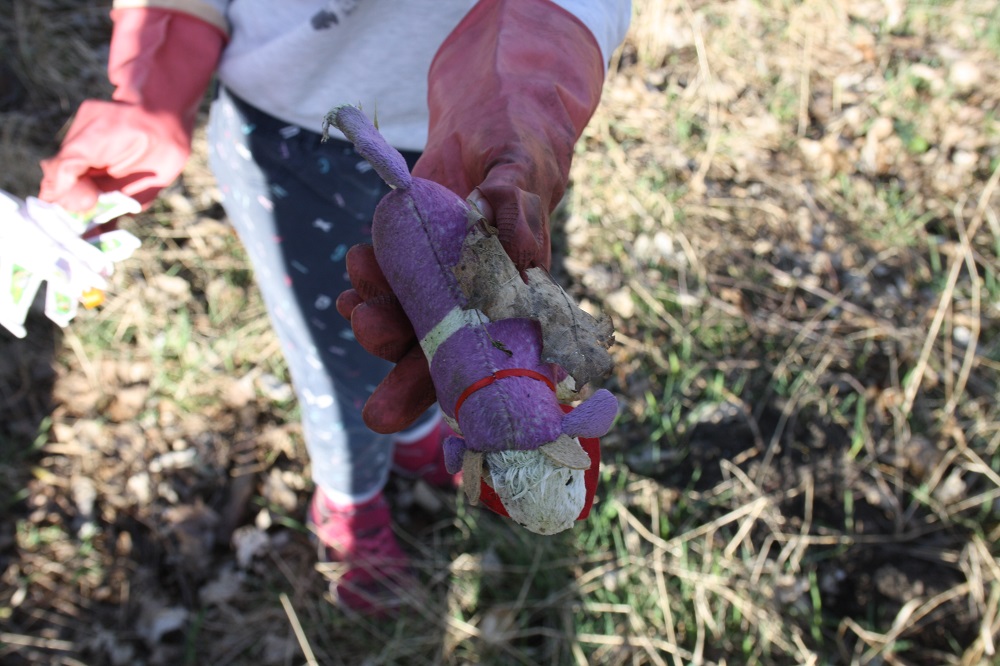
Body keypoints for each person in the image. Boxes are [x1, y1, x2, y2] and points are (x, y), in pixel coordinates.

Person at [38, 0, 631, 612]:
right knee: (338, 357)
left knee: (436, 347)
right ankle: (347, 498)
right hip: (288, 135)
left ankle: (421, 438)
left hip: (483, 140)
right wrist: (154, 87)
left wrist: (531, 65)